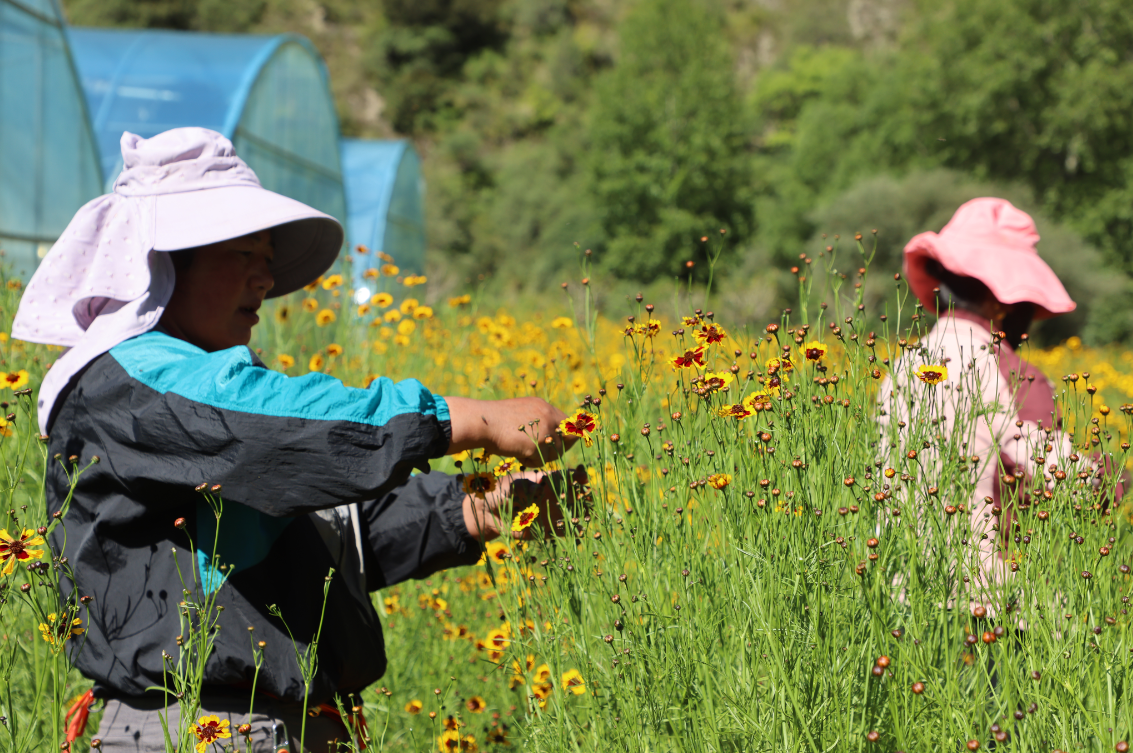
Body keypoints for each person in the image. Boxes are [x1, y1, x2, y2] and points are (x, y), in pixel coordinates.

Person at [12, 128, 578, 752]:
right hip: (201, 729)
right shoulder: (135, 379)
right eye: (243, 255)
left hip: (264, 727)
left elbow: (324, 539)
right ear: (165, 264)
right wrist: (471, 419)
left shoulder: (208, 399)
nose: (264, 279)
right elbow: (272, 428)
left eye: (268, 261)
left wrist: (479, 508)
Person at [876, 197, 1121, 616]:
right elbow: (1059, 479)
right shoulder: (1008, 370)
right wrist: (1114, 476)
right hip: (989, 605)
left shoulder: (902, 366)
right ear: (1001, 302)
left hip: (904, 596)